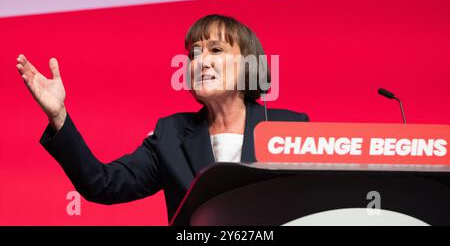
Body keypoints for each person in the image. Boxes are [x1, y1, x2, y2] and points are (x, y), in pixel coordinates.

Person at [16, 14, 309, 222]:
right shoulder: (171, 134)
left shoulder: (290, 128)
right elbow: (101, 183)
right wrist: (59, 116)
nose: (200, 61)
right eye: (194, 53)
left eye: (216, 50)